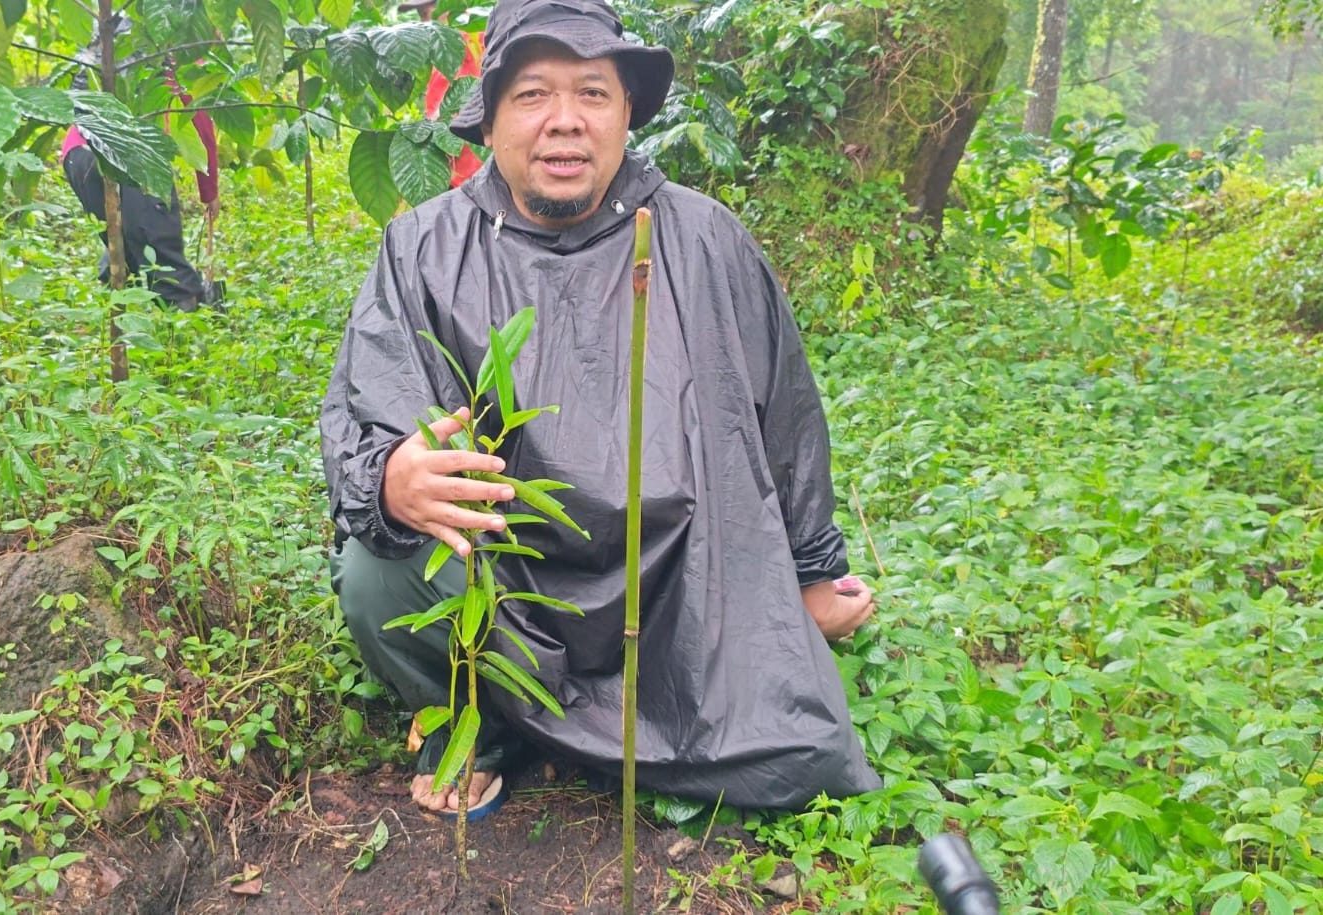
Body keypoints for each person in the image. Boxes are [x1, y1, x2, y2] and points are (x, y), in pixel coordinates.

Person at [321, 0, 881, 818]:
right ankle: (484, 720)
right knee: (377, 577)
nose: (564, 123)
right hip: (508, 576)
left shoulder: (705, 239)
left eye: (592, 93)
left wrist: (810, 572)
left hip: (680, 584)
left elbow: (784, 416)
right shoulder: (423, 249)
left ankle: (587, 720)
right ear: (492, 117)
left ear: (626, 114)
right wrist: (392, 481)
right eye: (534, 95)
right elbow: (365, 416)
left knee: (791, 748)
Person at [61, 42, 223, 311]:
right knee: (165, 261)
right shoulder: (179, 64)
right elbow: (201, 124)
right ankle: (183, 337)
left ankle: (125, 326)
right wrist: (210, 191)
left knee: (125, 245)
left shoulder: (124, 51)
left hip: (76, 155)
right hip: (130, 154)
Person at [399, 0, 484, 187]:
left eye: (428, 10)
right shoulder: (445, 45)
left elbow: (466, 95)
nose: (425, 18)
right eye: (421, 12)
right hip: (458, 161)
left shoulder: (461, 41)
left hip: (467, 165)